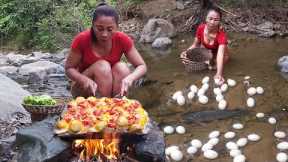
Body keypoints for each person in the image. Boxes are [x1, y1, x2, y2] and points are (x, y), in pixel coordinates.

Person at [65, 2, 147, 98]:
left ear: (117, 27)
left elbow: (142, 66)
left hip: (109, 86)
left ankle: (117, 106)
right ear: (92, 25)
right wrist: (84, 80)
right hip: (84, 89)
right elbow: (69, 68)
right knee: (102, 66)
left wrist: (130, 78)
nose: (104, 34)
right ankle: (101, 108)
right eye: (100, 29)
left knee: (122, 68)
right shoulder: (82, 39)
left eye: (110, 29)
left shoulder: (122, 39)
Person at [181, 7, 229, 84]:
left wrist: (219, 73)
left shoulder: (221, 35)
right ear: (205, 18)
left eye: (216, 20)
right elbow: (195, 45)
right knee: (203, 65)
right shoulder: (201, 28)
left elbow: (220, 55)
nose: (212, 22)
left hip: (221, 56)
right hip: (208, 53)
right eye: (210, 19)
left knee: (213, 69)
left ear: (219, 21)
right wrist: (186, 52)